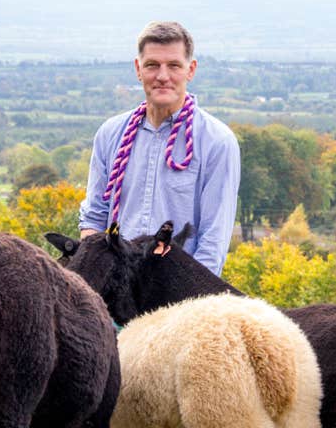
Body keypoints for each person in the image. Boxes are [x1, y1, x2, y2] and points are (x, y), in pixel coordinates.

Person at [79, 21, 241, 276]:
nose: (162, 76)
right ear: (138, 69)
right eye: (152, 65)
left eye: (174, 65)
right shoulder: (111, 134)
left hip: (178, 290)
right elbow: (94, 218)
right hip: (116, 287)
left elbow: (213, 240)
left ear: (191, 69)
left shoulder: (217, 142)